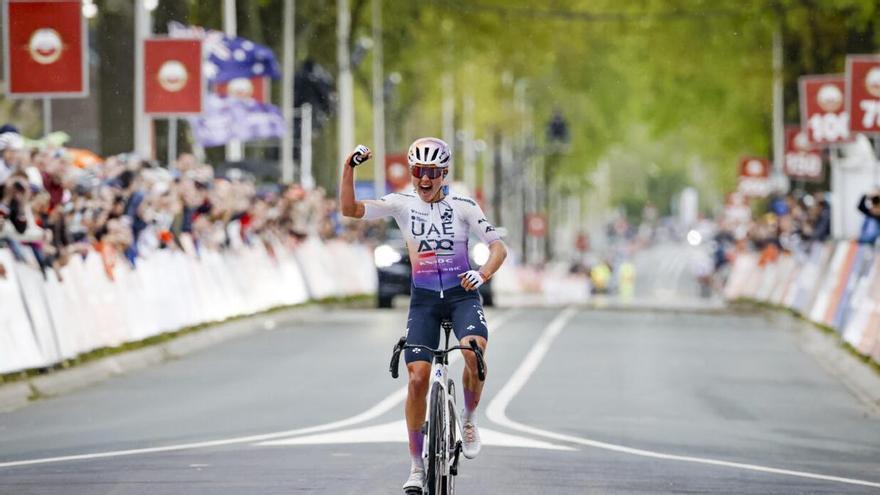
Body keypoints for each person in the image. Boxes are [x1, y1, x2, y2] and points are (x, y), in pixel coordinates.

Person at [339, 137, 507, 493]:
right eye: (418, 171)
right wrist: (348, 168)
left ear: (443, 173)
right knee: (417, 379)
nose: (424, 179)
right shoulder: (401, 204)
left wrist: (483, 274)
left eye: (431, 172)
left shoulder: (464, 206)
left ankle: (470, 418)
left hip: (463, 296)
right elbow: (350, 210)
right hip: (425, 301)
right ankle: (416, 465)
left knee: (473, 352)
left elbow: (498, 246)